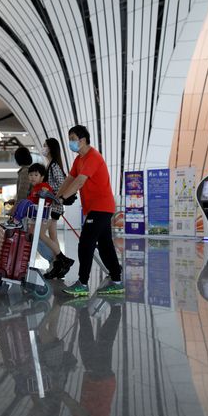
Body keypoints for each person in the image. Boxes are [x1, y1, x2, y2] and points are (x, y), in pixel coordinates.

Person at [55, 125, 123, 297]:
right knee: (106, 245)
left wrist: (63, 199)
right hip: (95, 208)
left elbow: (79, 182)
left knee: (86, 243)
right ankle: (117, 281)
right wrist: (56, 196)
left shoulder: (93, 157)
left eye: (72, 139)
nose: (70, 142)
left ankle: (82, 284)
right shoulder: (79, 159)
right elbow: (69, 179)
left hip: (101, 207)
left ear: (82, 140)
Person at [61, 303, 122, 416]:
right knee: (99, 341)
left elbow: (76, 408)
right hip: (100, 381)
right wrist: (60, 395)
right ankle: (113, 306)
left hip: (97, 379)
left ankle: (113, 307)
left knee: (99, 342)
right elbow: (77, 409)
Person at [13, 163, 74, 269]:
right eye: (30, 175)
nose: (32, 177)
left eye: (36, 175)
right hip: (38, 216)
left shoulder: (43, 186)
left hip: (43, 216)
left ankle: (59, 258)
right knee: (43, 236)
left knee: (39, 236)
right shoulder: (35, 188)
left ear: (42, 177)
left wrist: (44, 194)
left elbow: (47, 197)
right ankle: (59, 261)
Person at [41, 138, 69, 280]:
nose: (43, 148)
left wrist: (52, 195)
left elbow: (63, 184)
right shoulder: (50, 165)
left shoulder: (54, 166)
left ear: (51, 148)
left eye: (45, 146)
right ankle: (58, 265)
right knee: (53, 235)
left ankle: (62, 259)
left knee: (39, 233)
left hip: (53, 206)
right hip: (52, 205)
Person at [6, 146, 32, 216]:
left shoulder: (24, 172)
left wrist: (14, 209)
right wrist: (15, 201)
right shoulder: (26, 171)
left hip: (25, 210)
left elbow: (22, 194)